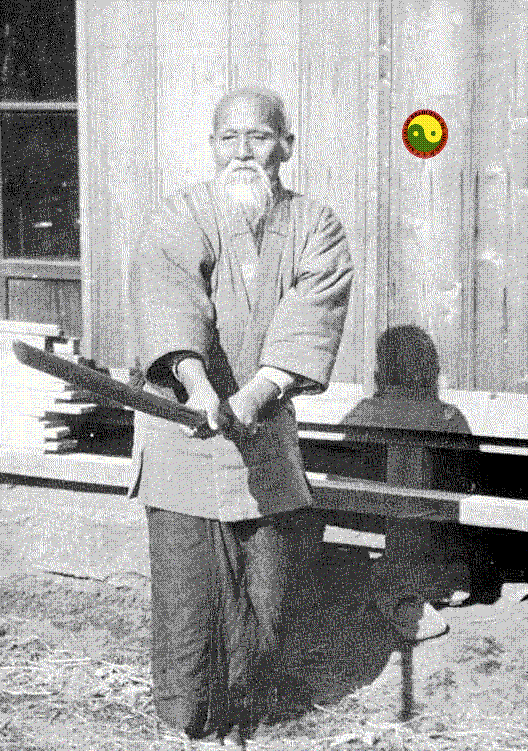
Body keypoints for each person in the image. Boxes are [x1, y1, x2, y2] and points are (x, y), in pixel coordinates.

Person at [129, 87, 353, 749]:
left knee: (267, 590)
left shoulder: (317, 224)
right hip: (183, 430)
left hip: (265, 433)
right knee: (189, 595)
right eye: (229, 138)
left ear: (286, 145)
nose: (243, 151)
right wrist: (197, 384)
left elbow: (310, 319)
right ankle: (193, 724)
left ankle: (247, 714)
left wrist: (253, 398)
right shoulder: (180, 215)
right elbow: (170, 300)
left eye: (259, 136)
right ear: (212, 146)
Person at [344, 325, 502, 642]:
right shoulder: (446, 416)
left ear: (381, 371)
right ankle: (415, 585)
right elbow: (472, 474)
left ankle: (400, 583)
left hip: (374, 518)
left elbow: (344, 462)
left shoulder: (364, 412)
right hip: (428, 523)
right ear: (431, 371)